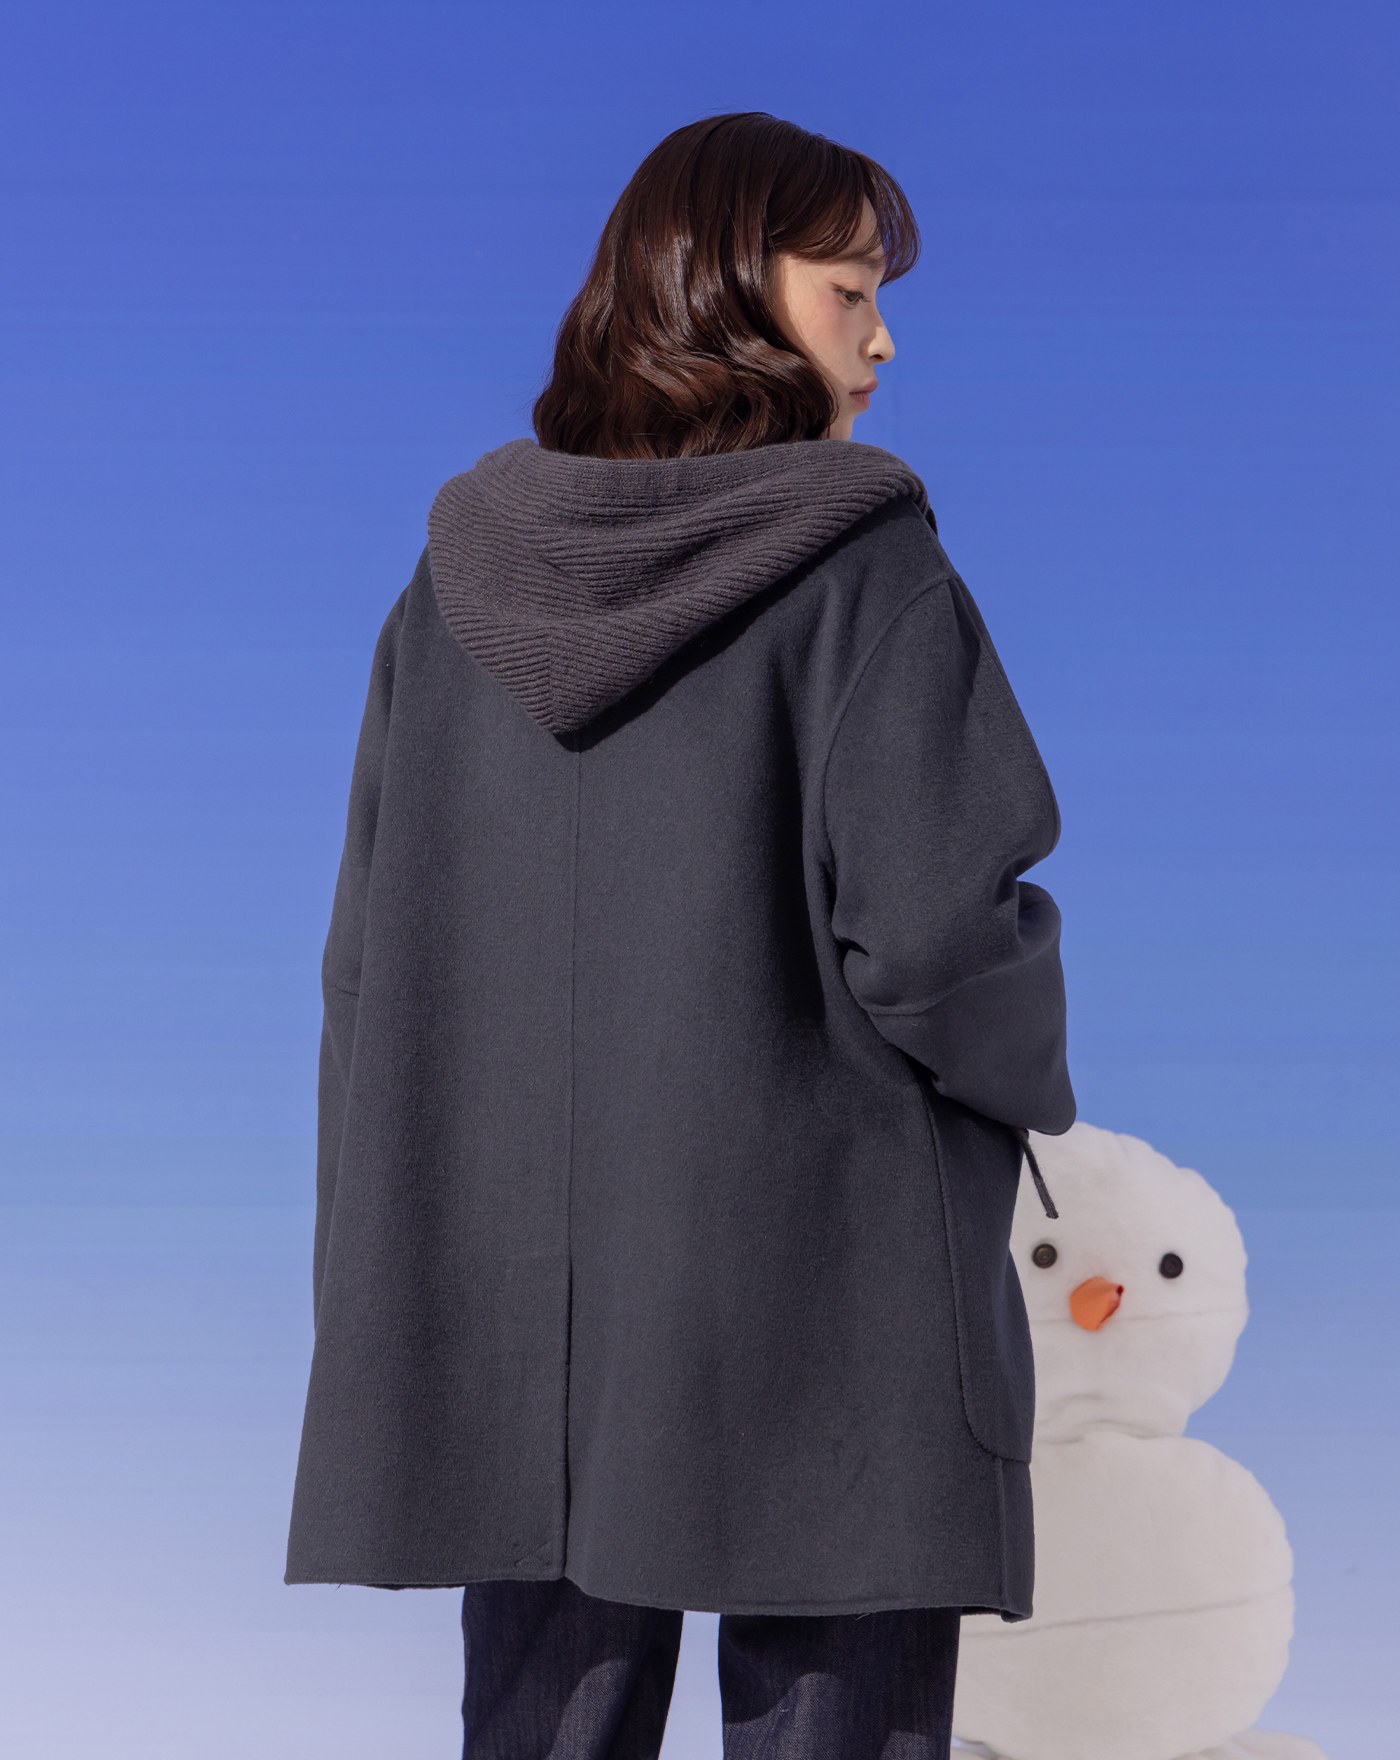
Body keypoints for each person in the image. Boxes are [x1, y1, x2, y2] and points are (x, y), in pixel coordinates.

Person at [284, 110, 1076, 1760]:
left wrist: (379, 1271)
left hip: (514, 1315)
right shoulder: (864, 568)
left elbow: (365, 973)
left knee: (543, 1721)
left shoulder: (451, 594)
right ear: (727, 283)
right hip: (832, 1285)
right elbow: (938, 936)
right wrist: (1030, 1075)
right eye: (852, 289)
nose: (883, 337)